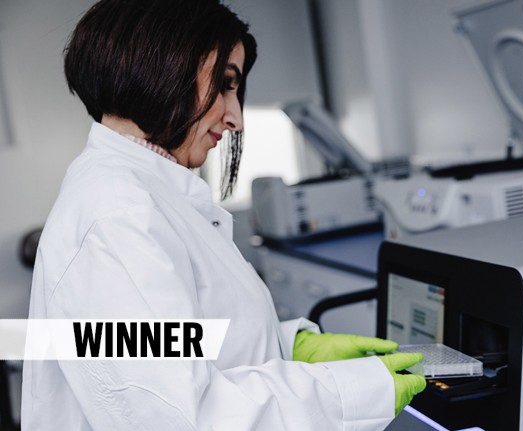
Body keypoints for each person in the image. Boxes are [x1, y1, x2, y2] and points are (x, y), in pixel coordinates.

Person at [21, 0, 425, 429]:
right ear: (159, 65)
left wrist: (290, 347)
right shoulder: (116, 219)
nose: (235, 119)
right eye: (225, 85)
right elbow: (183, 418)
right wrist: (347, 391)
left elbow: (183, 348)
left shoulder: (142, 197)